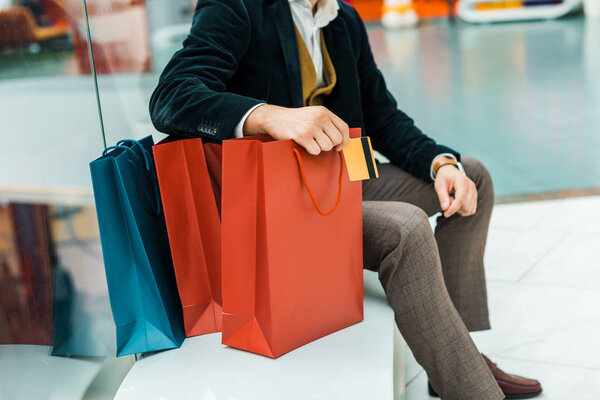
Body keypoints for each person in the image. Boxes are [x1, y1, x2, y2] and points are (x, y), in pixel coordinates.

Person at [149, 0, 543, 398]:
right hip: (277, 208)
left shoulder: (344, 19)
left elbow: (382, 116)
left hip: (337, 183)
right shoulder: (239, 6)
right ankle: (470, 386)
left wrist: (440, 163)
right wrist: (267, 115)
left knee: (470, 175)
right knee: (405, 227)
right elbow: (171, 96)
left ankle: (462, 357)